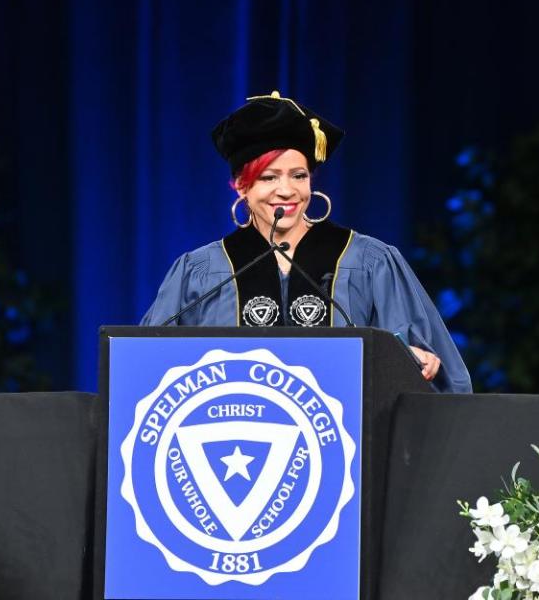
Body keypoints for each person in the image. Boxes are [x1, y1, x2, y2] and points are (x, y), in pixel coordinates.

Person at [141, 91, 471, 393]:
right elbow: (147, 366)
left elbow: (433, 372)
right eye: (268, 177)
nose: (287, 190)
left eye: (299, 175)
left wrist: (403, 359)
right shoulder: (202, 272)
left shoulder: (369, 261)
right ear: (241, 187)